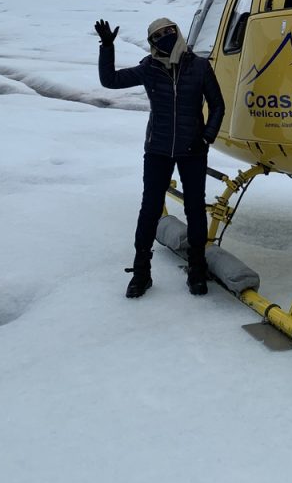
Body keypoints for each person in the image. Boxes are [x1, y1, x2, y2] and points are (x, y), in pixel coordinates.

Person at [95, 16, 225, 299]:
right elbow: (110, 80)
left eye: (169, 31)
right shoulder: (149, 68)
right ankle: (141, 273)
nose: (165, 36)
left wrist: (206, 137)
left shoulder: (200, 66)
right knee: (150, 210)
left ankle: (196, 270)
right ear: (152, 42)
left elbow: (217, 105)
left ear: (177, 33)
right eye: (158, 35)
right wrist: (107, 46)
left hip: (193, 151)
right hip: (158, 149)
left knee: (194, 209)